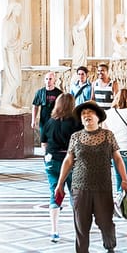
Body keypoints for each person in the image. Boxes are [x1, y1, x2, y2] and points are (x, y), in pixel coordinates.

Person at [54, 101, 127, 253]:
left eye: (90, 113)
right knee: (81, 225)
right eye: (83, 114)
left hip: (103, 187)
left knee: (106, 223)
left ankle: (110, 246)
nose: (86, 116)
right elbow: (68, 160)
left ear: (97, 117)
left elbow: (118, 159)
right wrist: (60, 183)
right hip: (80, 187)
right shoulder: (75, 137)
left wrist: (125, 180)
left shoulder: (108, 135)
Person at [40, 93, 81, 242]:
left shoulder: (50, 122)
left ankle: (54, 230)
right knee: (74, 193)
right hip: (70, 161)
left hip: (51, 160)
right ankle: (78, 228)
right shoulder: (76, 122)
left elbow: (43, 143)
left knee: (54, 193)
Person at [0, 2, 30, 114]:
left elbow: (14, 40)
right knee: (14, 79)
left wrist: (22, 44)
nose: (19, 12)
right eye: (18, 9)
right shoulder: (7, 23)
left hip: (15, 54)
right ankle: (4, 104)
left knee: (16, 80)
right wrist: (20, 44)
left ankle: (10, 102)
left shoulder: (14, 23)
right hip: (10, 54)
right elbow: (7, 42)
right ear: (13, 9)